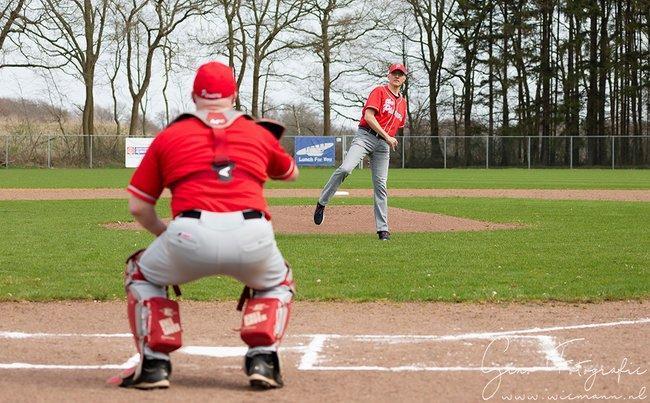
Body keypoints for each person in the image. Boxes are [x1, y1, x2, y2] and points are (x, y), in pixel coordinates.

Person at [108, 61, 298, 390]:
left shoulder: (170, 135)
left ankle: (154, 364)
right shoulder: (257, 132)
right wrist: (262, 143)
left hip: (189, 233)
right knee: (277, 282)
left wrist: (164, 234)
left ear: (194, 95)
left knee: (140, 272)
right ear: (234, 95)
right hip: (253, 234)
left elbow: (139, 207)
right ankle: (263, 359)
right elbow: (290, 173)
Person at [314, 63, 408, 240]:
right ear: (388, 75)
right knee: (346, 169)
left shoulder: (402, 103)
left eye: (400, 74)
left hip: (382, 147)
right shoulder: (379, 91)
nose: (397, 76)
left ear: (404, 79)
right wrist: (387, 136)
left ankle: (383, 230)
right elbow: (369, 117)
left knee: (381, 186)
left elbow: (397, 125)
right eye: (394, 73)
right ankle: (322, 203)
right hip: (365, 137)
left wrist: (387, 139)